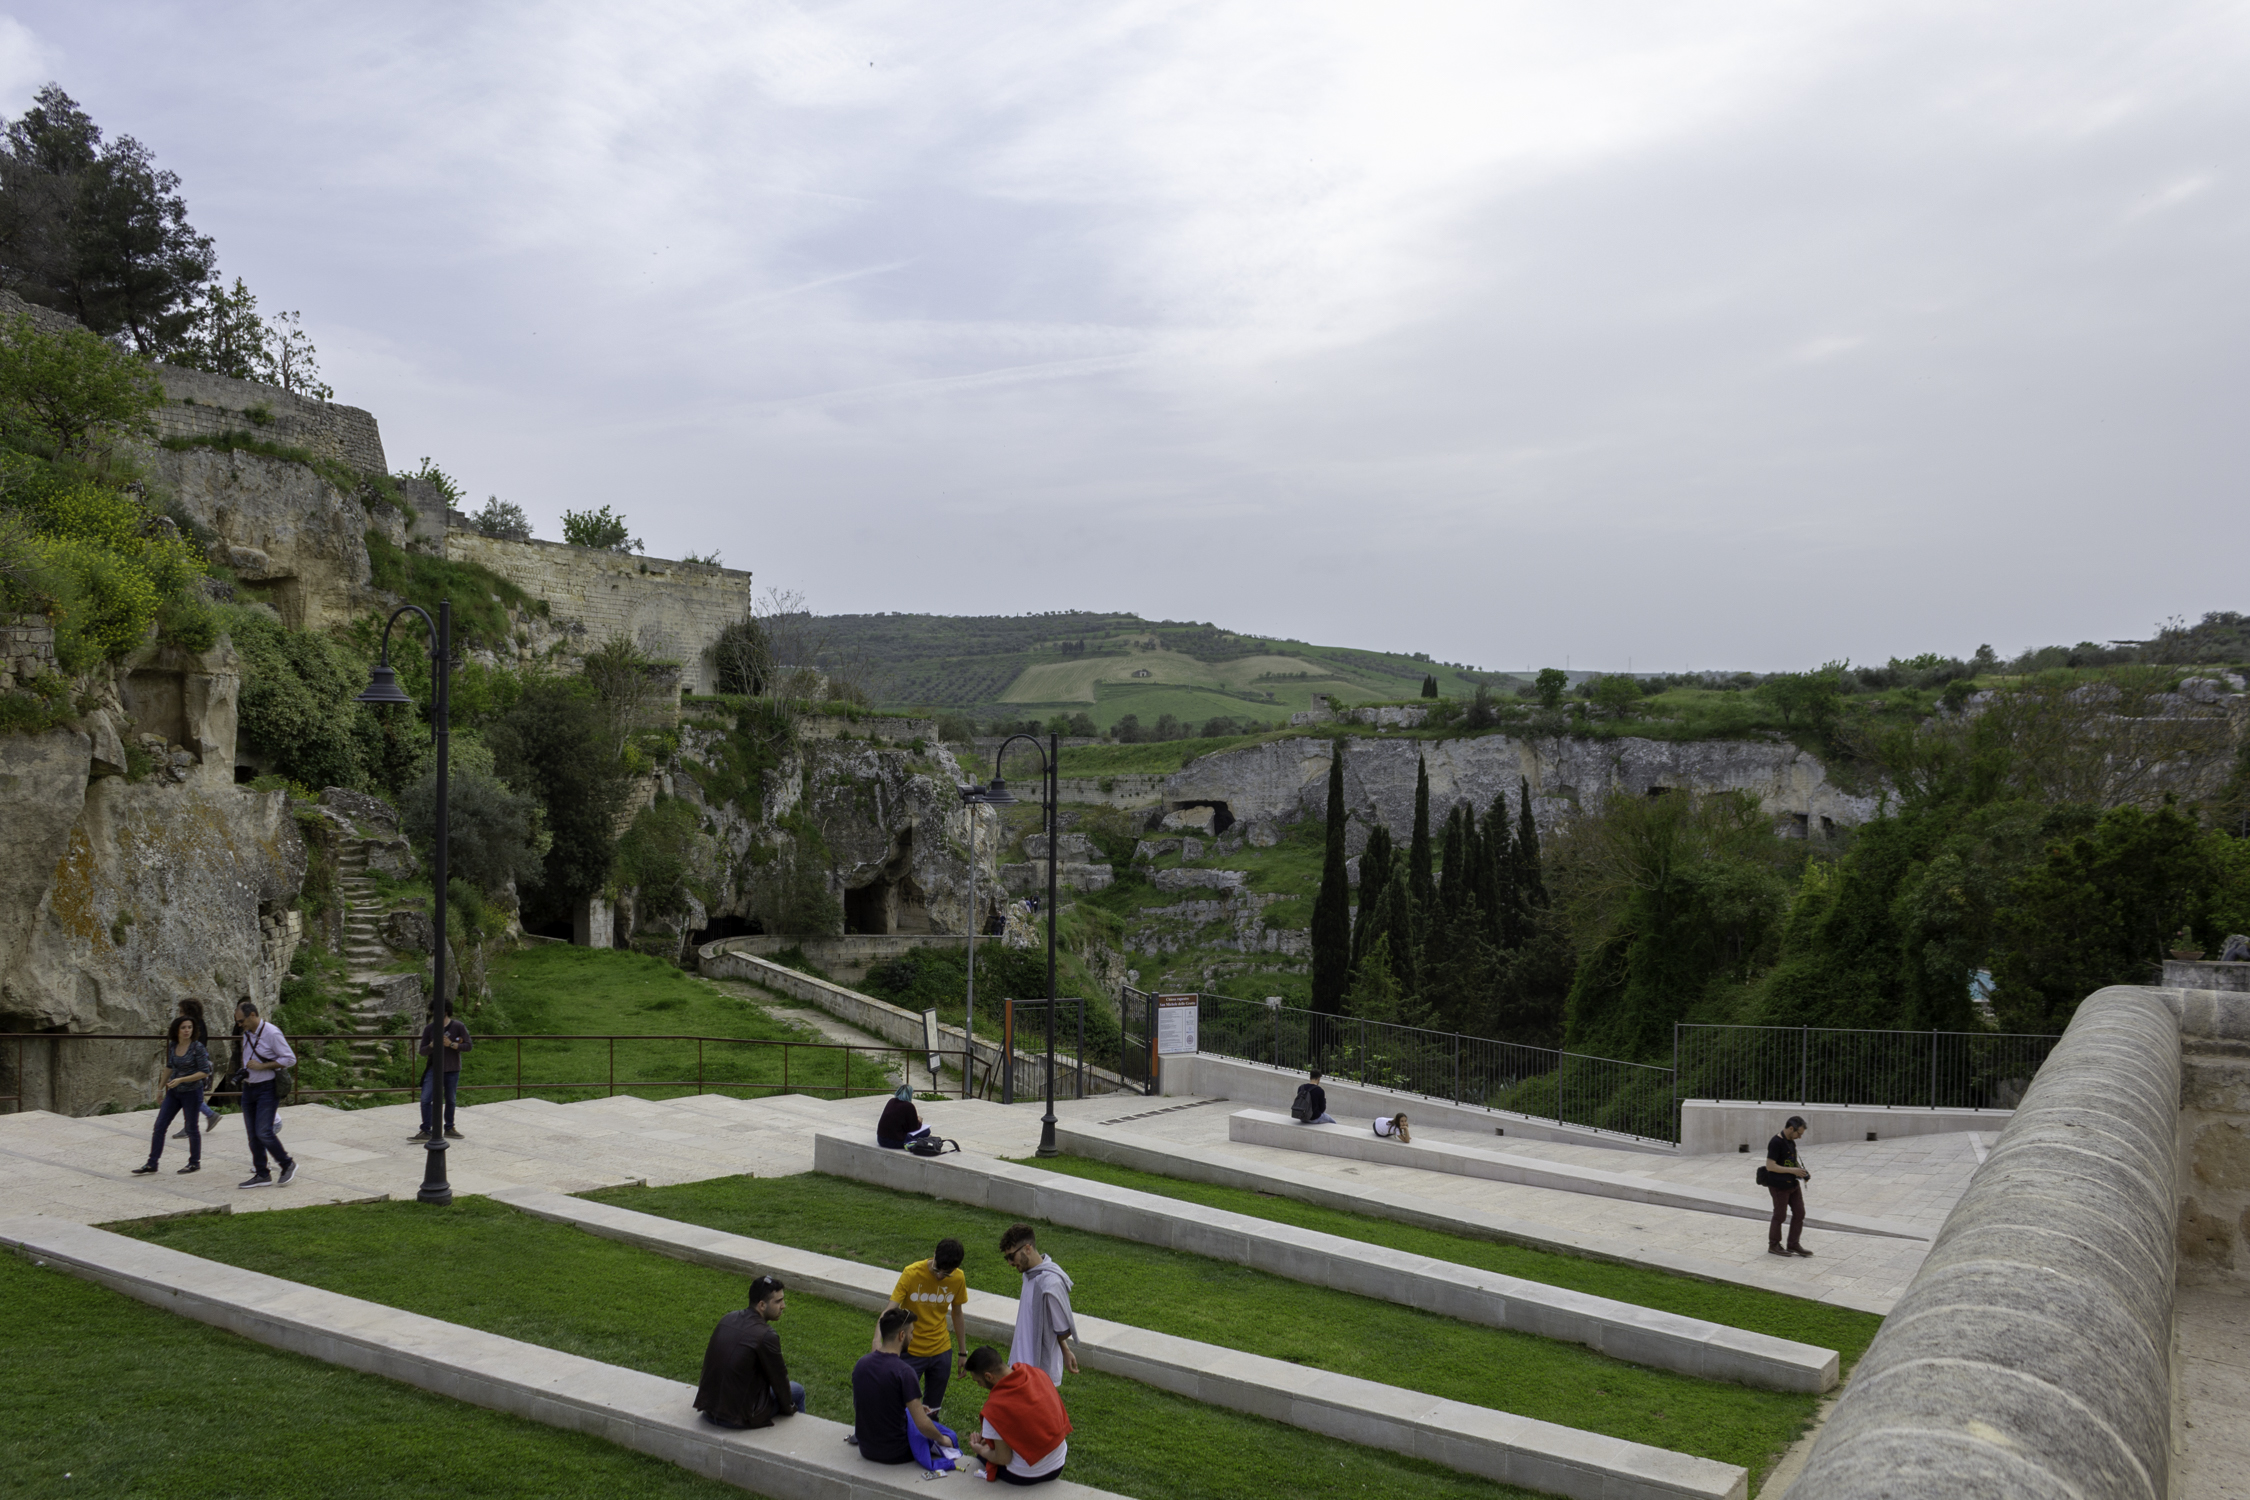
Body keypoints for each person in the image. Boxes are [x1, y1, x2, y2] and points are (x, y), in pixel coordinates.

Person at [695, 1274, 805, 1429]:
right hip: (738, 1417)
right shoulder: (766, 1335)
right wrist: (788, 1409)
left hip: (709, 1409)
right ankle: (795, 1439)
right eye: (778, 1301)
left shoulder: (727, 1318)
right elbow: (780, 1381)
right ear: (762, 1305)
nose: (783, 1306)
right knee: (797, 1391)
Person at [882, 1237, 968, 1418]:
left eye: (946, 1274)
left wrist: (962, 1352)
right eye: (937, 1270)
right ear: (934, 1255)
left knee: (932, 1411)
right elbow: (890, 1310)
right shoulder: (911, 1273)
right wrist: (878, 1341)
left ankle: (926, 1444)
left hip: (941, 1352)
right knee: (897, 1404)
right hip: (910, 1351)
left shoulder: (958, 1278)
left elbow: (957, 1313)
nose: (939, 1276)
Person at [852, 1307, 950, 1465]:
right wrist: (943, 1439)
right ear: (901, 1335)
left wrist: (912, 1407)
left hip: (866, 1448)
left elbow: (873, 1402)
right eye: (911, 1333)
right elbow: (922, 1424)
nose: (912, 1337)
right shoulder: (904, 1372)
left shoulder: (861, 1364)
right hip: (896, 1453)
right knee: (947, 1435)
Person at [963, 1346, 1071, 1487]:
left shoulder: (995, 1409)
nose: (979, 1385)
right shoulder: (1036, 1373)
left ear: (988, 1376)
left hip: (1029, 1475)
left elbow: (1003, 1458)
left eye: (978, 1381)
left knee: (983, 1457)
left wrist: (980, 1449)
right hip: (1059, 1462)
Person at [999, 1224, 1078, 1386]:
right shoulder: (1028, 1274)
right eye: (1006, 1258)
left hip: (1037, 1375)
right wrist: (1065, 1349)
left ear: (1027, 1249)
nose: (1009, 1263)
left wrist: (1062, 1345)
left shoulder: (1050, 1284)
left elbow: (1062, 1330)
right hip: (1019, 1368)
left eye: (1011, 1256)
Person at [133, 1016, 212, 1177]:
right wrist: (160, 1088)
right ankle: (152, 1163)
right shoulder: (174, 1046)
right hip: (174, 1092)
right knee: (160, 1126)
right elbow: (169, 1067)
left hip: (192, 1092)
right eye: (183, 1027)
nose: (187, 1030)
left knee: (191, 1127)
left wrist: (182, 1079)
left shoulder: (197, 1047)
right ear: (177, 1030)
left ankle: (194, 1162)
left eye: (189, 1027)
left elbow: (204, 1071)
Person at [234, 999, 297, 1189]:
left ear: (252, 1015)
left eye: (241, 1021)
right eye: (237, 1022)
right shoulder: (247, 1033)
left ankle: (287, 1164)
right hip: (249, 1088)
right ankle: (262, 1173)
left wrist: (262, 1066)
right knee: (253, 1135)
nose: (239, 1025)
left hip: (266, 1088)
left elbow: (289, 1058)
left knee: (263, 1131)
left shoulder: (271, 1032)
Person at [412, 999, 474, 1142]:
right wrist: (432, 1045)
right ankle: (426, 1129)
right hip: (434, 1068)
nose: (435, 1014)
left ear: (446, 1011)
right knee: (425, 1099)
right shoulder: (429, 1029)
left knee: (450, 1099)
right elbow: (422, 1051)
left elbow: (469, 1046)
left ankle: (449, 1127)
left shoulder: (458, 1026)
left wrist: (451, 1044)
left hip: (452, 1069)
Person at [170, 998, 223, 1138]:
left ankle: (192, 1126)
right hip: (194, 1065)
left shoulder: (192, 1026)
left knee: (188, 1096)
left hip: (192, 1066)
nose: (179, 1014)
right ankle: (210, 1116)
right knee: (191, 1096)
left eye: (181, 1011)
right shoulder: (197, 1024)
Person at [1762, 1116, 1812, 1257]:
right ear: (1791, 1129)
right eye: (1799, 1133)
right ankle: (1774, 1245)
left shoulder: (1791, 1141)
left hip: (1792, 1184)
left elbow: (1791, 1161)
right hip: (1778, 1185)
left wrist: (1801, 1172)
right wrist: (1793, 1171)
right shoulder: (1776, 1142)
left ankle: (1793, 1244)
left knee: (1800, 1213)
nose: (1800, 1137)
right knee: (1780, 1216)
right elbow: (1770, 1166)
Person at [877, 1084, 930, 1150]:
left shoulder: (891, 1101)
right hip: (894, 1142)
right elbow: (913, 1128)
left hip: (881, 1139)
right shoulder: (909, 1106)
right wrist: (919, 1121)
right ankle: (909, 1142)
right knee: (927, 1131)